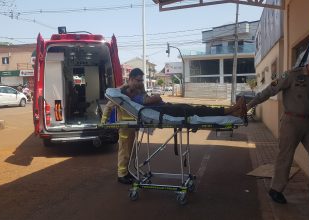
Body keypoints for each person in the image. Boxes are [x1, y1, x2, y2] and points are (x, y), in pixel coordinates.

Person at [101, 68, 247, 184]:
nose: (140, 83)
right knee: (194, 111)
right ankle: (122, 175)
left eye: (141, 80)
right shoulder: (124, 92)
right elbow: (116, 104)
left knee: (194, 109)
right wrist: (104, 121)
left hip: (144, 119)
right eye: (138, 80)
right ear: (131, 79)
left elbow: (149, 99)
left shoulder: (138, 89)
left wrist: (152, 98)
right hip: (136, 122)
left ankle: (232, 111)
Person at [246, 50, 309, 204]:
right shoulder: (291, 75)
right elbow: (269, 90)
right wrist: (248, 105)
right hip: (291, 121)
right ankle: (276, 190)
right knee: (285, 156)